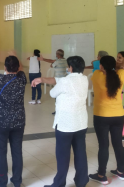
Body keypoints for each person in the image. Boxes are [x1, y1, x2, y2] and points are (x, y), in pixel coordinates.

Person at [88, 46, 124, 184]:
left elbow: (120, 66)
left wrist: (113, 65)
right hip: (118, 116)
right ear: (114, 66)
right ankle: (121, 172)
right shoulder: (120, 75)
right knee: (118, 144)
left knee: (103, 146)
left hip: (101, 116)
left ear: (101, 66)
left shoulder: (96, 76)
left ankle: (101, 175)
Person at [32, 56, 89, 187]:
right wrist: (42, 79)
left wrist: (46, 82)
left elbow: (52, 93)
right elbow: (58, 80)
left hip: (65, 125)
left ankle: (59, 184)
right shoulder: (84, 79)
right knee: (80, 153)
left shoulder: (65, 81)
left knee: (63, 156)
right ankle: (81, 182)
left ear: (70, 68)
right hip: (80, 123)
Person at [0, 52, 27, 187]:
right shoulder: (22, 79)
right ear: (18, 67)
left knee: (1, 153)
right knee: (17, 151)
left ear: (5, 67)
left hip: (0, 122)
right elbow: (20, 68)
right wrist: (16, 57)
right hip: (18, 121)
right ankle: (17, 181)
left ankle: (2, 182)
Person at [39, 49, 67, 114]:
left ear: (58, 55)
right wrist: (44, 59)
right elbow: (52, 61)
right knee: (63, 96)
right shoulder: (65, 60)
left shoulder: (57, 61)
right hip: (65, 81)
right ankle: (63, 111)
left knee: (57, 96)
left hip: (58, 81)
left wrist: (44, 59)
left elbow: (51, 65)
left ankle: (58, 111)